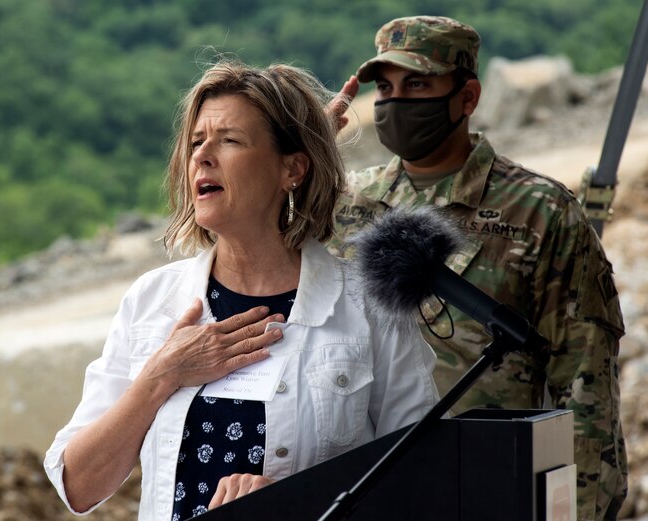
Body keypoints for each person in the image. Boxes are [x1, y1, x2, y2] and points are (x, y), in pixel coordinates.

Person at [44, 59, 439, 520]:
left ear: (291, 169)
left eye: (229, 140)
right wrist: (161, 376)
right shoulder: (151, 301)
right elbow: (78, 486)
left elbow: (426, 482)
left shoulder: (370, 307)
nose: (202, 156)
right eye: (196, 142)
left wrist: (294, 504)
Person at [326, 16, 627, 521]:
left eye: (418, 84)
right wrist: (303, 141)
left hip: (490, 486)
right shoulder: (346, 207)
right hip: (369, 486)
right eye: (386, 87)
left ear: (467, 98)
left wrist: (576, 510)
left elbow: (584, 386)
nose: (396, 102)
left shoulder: (540, 211)